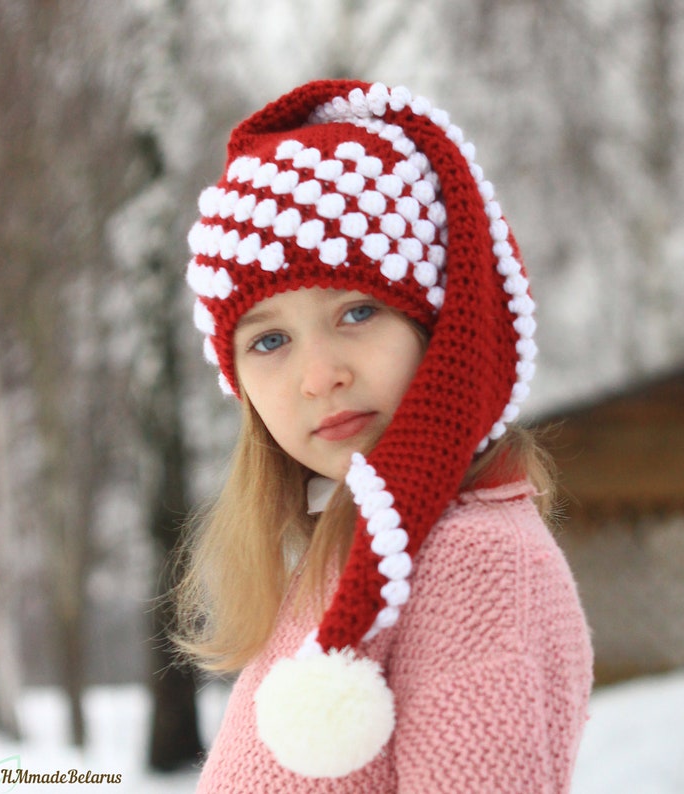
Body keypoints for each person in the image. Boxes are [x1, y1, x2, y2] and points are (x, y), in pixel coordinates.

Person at [175, 78, 592, 792]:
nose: (319, 375)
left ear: (444, 325)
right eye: (269, 341)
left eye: (359, 312)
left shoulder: (470, 562)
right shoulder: (347, 553)